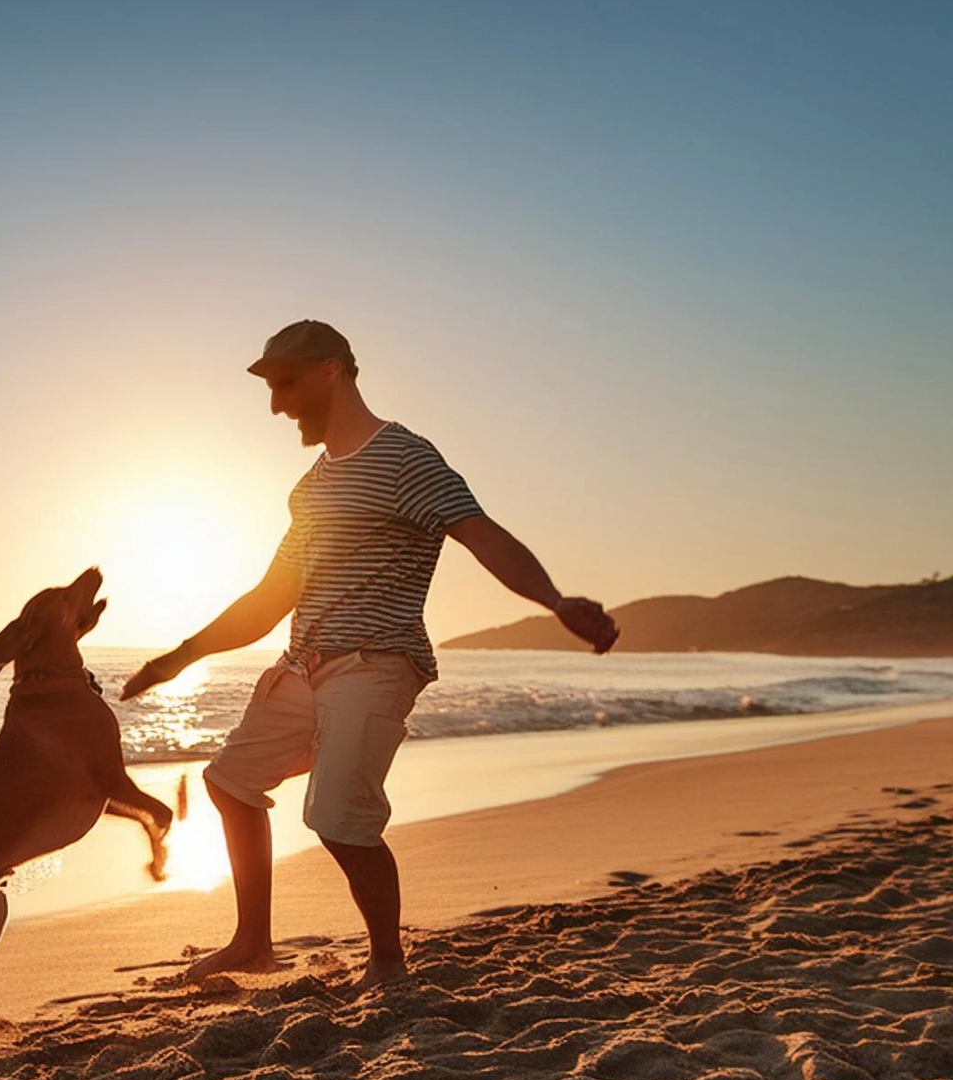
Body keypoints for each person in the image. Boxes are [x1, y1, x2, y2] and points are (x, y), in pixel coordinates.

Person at [121, 319, 619, 987]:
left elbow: (484, 536)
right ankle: (252, 944)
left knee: (340, 821)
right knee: (228, 782)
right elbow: (271, 597)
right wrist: (179, 656)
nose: (277, 404)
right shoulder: (311, 487)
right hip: (302, 668)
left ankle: (388, 964)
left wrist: (555, 602)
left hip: (376, 662)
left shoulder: (405, 457)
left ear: (333, 369)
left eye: (286, 384)